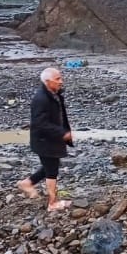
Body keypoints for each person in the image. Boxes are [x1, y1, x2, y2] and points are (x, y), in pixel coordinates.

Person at [17, 67, 74, 212]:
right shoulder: (41, 98)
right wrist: (62, 133)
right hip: (45, 140)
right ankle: (52, 203)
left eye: (61, 78)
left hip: (51, 139)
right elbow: (40, 123)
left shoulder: (54, 94)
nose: (61, 81)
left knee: (50, 166)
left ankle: (27, 183)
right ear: (47, 82)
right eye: (57, 79)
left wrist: (63, 131)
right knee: (52, 170)